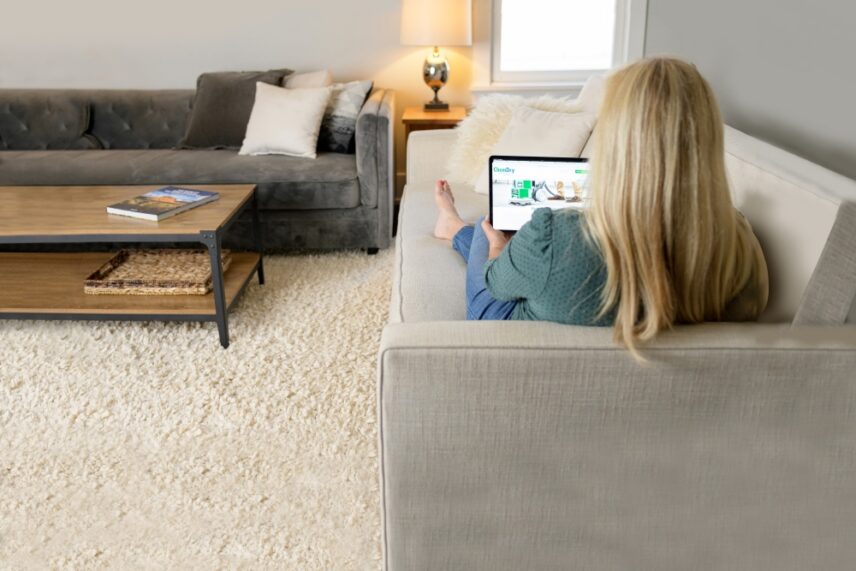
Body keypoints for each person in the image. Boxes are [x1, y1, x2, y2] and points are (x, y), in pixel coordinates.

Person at [432, 57, 769, 354]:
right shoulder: (738, 245)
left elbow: (496, 283)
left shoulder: (555, 236)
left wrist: (498, 249)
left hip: (522, 334)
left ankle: (458, 226)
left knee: (488, 227)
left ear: (617, 139)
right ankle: (458, 227)